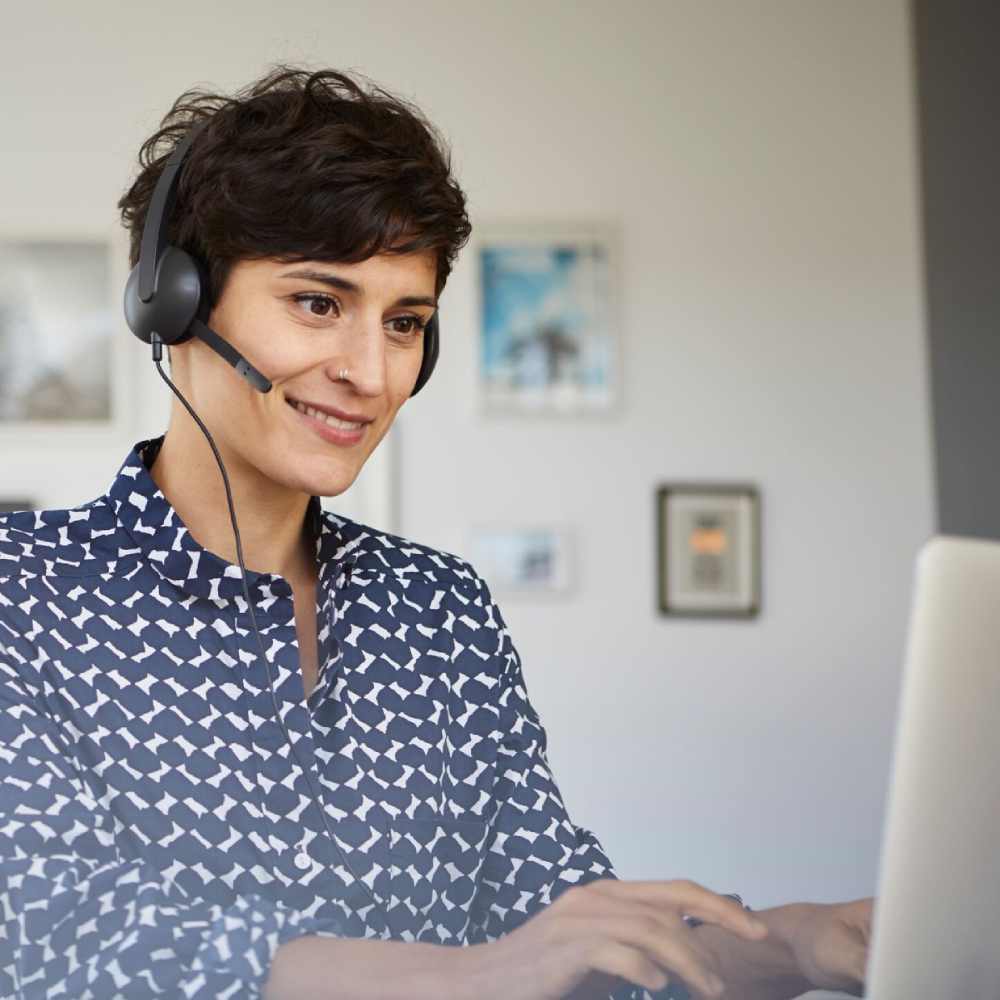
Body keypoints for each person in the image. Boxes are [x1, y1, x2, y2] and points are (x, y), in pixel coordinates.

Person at [0, 65, 872, 1000]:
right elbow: (65, 937)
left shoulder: (440, 611)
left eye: (405, 322)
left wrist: (794, 941)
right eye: (319, 303)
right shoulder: (26, 597)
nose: (371, 374)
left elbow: (565, 925)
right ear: (172, 302)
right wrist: (481, 974)